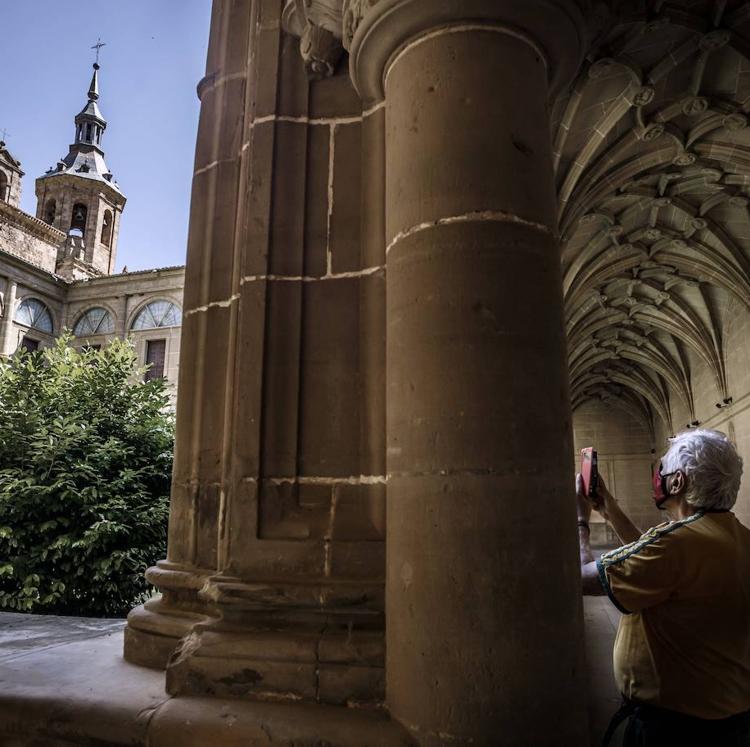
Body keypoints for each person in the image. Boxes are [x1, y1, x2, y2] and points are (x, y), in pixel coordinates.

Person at [576, 429, 750, 746]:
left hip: (675, 729)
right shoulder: (734, 536)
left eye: (662, 470)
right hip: (728, 717)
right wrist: (609, 508)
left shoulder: (675, 544)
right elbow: (661, 570)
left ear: (677, 482)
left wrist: (581, 521)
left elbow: (580, 580)